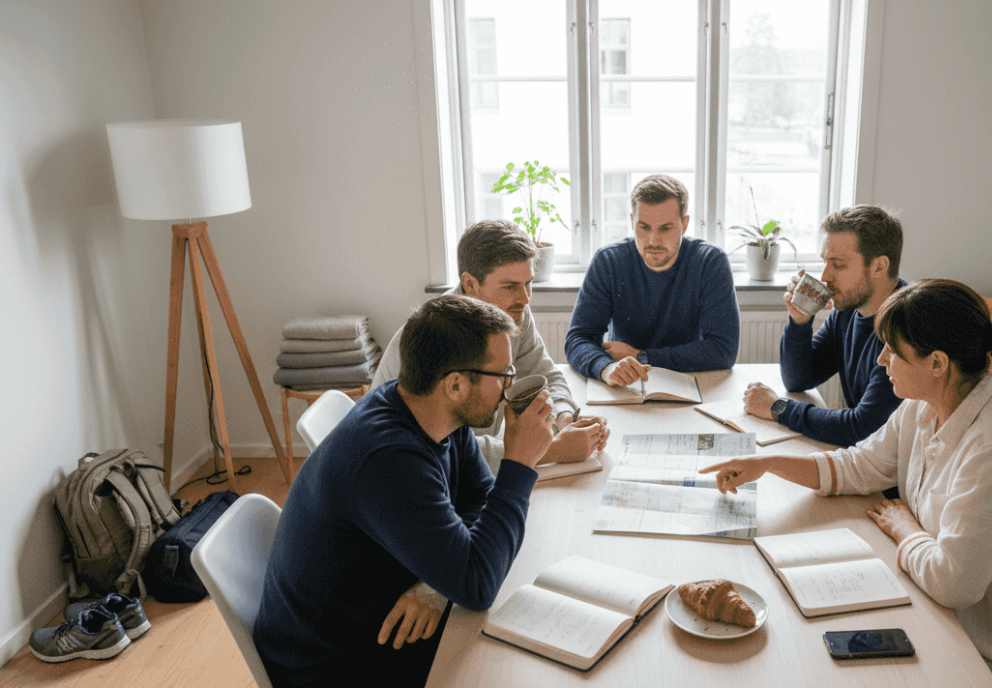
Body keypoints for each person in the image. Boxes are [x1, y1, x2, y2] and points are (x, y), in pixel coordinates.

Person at [702, 279, 992, 688]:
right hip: (945, 609)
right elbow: (860, 465)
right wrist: (767, 463)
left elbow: (954, 584)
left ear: (937, 363)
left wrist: (905, 528)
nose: (880, 360)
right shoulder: (922, 407)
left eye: (893, 351)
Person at [254, 295, 554, 687]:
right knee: (517, 663)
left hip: (378, 619)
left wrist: (436, 584)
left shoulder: (432, 409)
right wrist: (519, 463)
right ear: (456, 384)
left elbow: (477, 498)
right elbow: (478, 586)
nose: (509, 386)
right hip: (333, 665)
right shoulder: (388, 460)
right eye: (503, 374)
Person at [373, 219, 609, 473]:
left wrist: (565, 418)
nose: (525, 298)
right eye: (509, 286)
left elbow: (545, 375)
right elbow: (440, 450)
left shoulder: (513, 312)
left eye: (528, 283)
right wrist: (554, 451)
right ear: (471, 284)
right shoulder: (435, 339)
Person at [742, 204, 906, 447]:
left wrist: (778, 408)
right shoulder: (848, 311)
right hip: (864, 459)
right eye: (825, 262)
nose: (825, 276)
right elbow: (799, 379)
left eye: (838, 265)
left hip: (893, 477)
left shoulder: (906, 325)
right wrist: (800, 320)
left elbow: (861, 427)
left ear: (879, 266)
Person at [565, 174, 740, 387]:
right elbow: (579, 338)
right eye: (644, 227)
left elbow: (724, 350)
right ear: (632, 221)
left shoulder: (709, 262)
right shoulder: (608, 261)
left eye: (666, 228)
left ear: (684, 225)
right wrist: (606, 368)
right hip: (625, 385)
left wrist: (643, 357)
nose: (653, 241)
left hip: (688, 383)